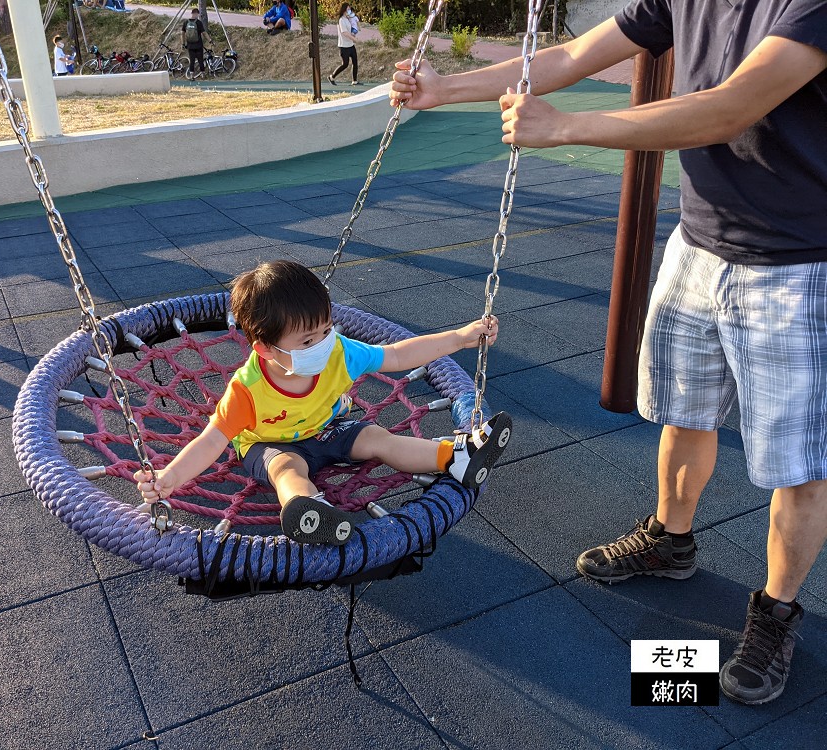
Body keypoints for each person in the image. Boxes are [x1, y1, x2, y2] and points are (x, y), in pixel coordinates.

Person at [391, 0, 827, 707]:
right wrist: (445, 89)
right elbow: (566, 58)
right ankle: (670, 539)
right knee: (683, 416)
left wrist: (565, 128)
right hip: (700, 242)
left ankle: (776, 611)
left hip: (799, 265)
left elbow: (731, 106)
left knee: (800, 465)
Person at [135, 260, 510, 546]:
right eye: (308, 341)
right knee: (286, 469)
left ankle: (455, 457)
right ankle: (311, 511)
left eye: (327, 329)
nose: (324, 343)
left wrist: (460, 338)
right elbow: (212, 441)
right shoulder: (247, 389)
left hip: (329, 428)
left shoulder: (338, 353)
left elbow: (396, 355)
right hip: (269, 444)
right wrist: (169, 479)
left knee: (379, 438)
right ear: (265, 348)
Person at [328, 3, 359, 86]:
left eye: (350, 9)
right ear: (344, 10)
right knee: (345, 64)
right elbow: (344, 32)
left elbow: (350, 30)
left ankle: (354, 81)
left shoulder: (348, 19)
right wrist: (354, 39)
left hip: (351, 45)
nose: (349, 11)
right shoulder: (341, 20)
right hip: (343, 46)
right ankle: (332, 77)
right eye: (348, 9)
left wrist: (354, 33)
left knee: (355, 62)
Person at [181, 7, 211, 80]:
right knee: (200, 60)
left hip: (190, 45)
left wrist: (183, 43)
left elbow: (182, 33)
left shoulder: (186, 22)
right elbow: (204, 33)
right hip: (198, 45)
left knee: (192, 61)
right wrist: (210, 40)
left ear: (191, 13)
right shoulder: (198, 23)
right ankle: (203, 74)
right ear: (197, 14)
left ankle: (191, 75)